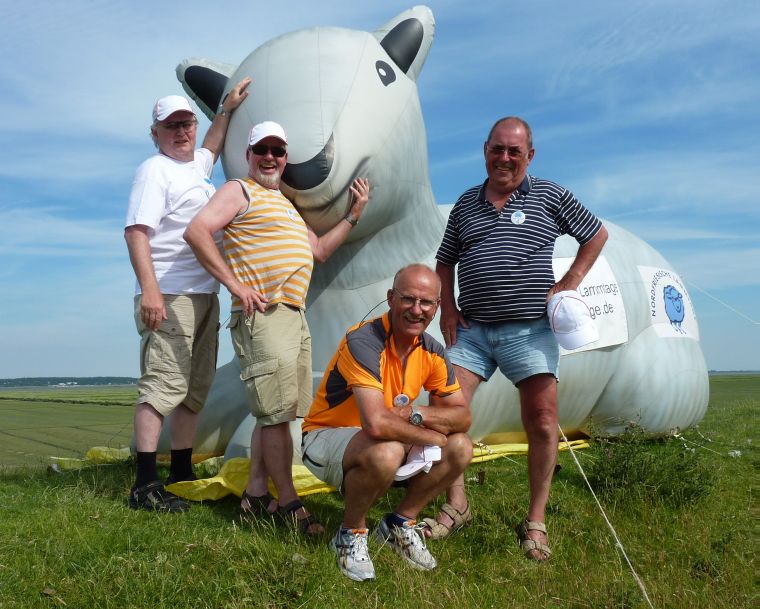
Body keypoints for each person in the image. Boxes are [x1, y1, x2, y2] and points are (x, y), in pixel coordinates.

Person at [434, 116, 608, 560]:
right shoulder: (466, 203)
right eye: (497, 149)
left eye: (514, 151)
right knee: (447, 411)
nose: (505, 158)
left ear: (530, 155)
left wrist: (569, 281)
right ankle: (457, 504)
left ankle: (535, 520)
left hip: (530, 329)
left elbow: (596, 234)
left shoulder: (550, 194)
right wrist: (447, 308)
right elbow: (444, 261)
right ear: (485, 150)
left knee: (544, 422)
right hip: (473, 330)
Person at [184, 120, 370, 536]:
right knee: (276, 416)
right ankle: (288, 503)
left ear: (285, 159)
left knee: (277, 413)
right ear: (248, 156)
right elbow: (196, 231)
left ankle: (254, 494)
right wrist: (235, 285)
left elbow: (319, 251)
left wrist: (353, 216)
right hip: (264, 315)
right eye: (262, 150)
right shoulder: (239, 190)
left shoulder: (285, 204)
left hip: (294, 316)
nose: (270, 157)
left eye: (278, 151)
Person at [124, 78, 251, 512]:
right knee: (161, 386)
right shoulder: (153, 170)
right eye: (171, 126)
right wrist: (151, 291)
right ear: (155, 133)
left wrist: (226, 109)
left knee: (194, 390)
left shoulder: (196, 165)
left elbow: (212, 146)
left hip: (204, 295)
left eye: (187, 124)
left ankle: (180, 473)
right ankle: (144, 484)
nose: (181, 132)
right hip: (170, 292)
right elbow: (136, 233)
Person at [301, 264, 472, 581]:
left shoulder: (432, 350)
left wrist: (415, 414)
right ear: (391, 298)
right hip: (326, 436)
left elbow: (462, 416)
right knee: (388, 450)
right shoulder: (364, 340)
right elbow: (377, 424)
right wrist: (432, 437)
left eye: (426, 302)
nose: (416, 310)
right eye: (408, 299)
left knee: (461, 446)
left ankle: (400, 524)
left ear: (437, 307)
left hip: (386, 437)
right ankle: (350, 533)